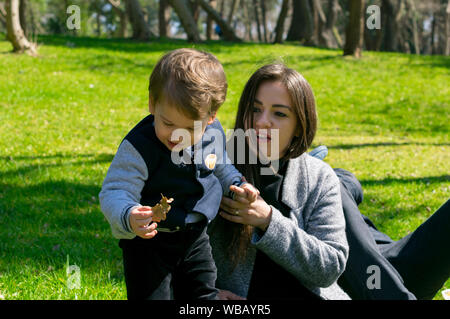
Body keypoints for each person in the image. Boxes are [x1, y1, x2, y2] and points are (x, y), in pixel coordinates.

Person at [99, 48, 258, 300]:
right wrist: (129, 214)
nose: (176, 136)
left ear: (211, 118)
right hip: (148, 243)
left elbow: (221, 164)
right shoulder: (140, 147)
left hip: (195, 238)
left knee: (203, 296)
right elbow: (115, 191)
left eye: (188, 129)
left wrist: (238, 184)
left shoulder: (211, 133)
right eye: (168, 123)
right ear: (152, 103)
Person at [208, 63, 350, 300]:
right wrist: (204, 294)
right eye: (255, 109)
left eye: (280, 113)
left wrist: (268, 220)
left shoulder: (319, 177)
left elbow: (330, 267)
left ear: (299, 125)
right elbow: (173, 249)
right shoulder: (215, 165)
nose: (262, 122)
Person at [334, 168, 450, 300]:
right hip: (366, 282)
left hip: (393, 262)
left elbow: (351, 181)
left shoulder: (327, 181)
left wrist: (340, 181)